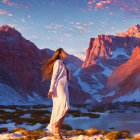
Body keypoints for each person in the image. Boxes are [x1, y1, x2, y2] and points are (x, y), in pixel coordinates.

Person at [41, 48, 71, 139]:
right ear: (60, 53)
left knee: (65, 107)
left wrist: (68, 70)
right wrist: (51, 89)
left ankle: (57, 131)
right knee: (64, 107)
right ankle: (56, 130)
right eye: (64, 52)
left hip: (64, 87)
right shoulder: (57, 62)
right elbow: (54, 76)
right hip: (59, 87)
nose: (66, 52)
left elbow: (68, 78)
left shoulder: (63, 64)